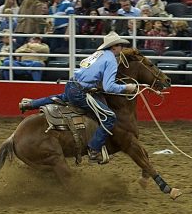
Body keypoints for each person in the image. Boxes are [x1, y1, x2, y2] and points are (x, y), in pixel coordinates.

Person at [19, 32, 138, 164]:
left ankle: (30, 104)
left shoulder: (98, 54)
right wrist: (127, 88)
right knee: (109, 117)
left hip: (71, 84)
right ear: (114, 47)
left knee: (62, 97)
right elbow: (109, 87)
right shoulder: (111, 60)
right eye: (120, 45)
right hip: (81, 92)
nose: (122, 48)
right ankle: (94, 149)